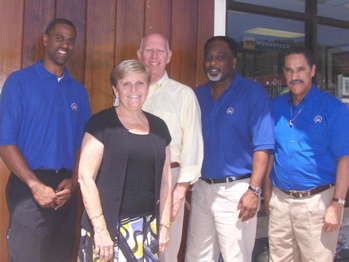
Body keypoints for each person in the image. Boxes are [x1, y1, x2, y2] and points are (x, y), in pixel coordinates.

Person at [0, 18, 91, 262]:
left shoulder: (78, 92)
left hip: (65, 191)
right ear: (45, 40)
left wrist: (73, 182)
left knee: (60, 256)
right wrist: (34, 184)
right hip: (28, 185)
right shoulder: (19, 82)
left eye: (71, 40)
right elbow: (5, 142)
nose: (65, 45)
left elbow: (83, 146)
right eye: (59, 37)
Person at [185, 36, 274, 262]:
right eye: (208, 58)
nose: (213, 63)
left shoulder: (253, 93)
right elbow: (189, 143)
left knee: (236, 257)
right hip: (202, 189)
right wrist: (185, 184)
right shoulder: (196, 96)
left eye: (220, 57)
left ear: (234, 61)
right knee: (197, 257)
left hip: (237, 191)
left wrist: (254, 191)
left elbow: (263, 146)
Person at [78, 59, 172, 262]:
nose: (134, 89)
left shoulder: (160, 127)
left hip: (146, 228)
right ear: (115, 89)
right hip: (107, 230)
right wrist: (100, 229)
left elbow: (166, 181)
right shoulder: (101, 123)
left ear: (148, 87)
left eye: (140, 83)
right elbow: (85, 178)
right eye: (126, 84)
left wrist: (163, 226)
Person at [263, 46, 349, 262]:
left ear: (312, 70)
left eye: (300, 69)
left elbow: (345, 158)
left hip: (317, 203)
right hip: (281, 201)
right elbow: (271, 153)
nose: (294, 76)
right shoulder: (276, 107)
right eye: (289, 70)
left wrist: (337, 204)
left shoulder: (332, 108)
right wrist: (267, 195)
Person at [137, 33, 203, 261]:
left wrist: (180, 190)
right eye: (148, 50)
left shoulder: (184, 95)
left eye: (160, 51)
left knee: (165, 248)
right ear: (139, 54)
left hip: (170, 177)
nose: (153, 56)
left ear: (169, 56)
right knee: (133, 243)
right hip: (133, 180)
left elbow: (193, 144)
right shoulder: (129, 92)